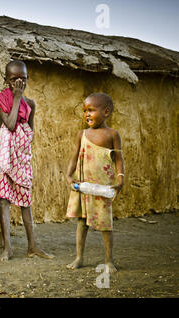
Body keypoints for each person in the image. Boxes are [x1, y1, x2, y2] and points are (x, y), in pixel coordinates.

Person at [0, 60, 53, 261]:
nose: (19, 82)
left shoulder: (31, 104)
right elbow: (9, 124)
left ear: (28, 78)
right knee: (4, 200)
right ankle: (7, 248)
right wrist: (17, 97)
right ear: (6, 80)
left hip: (22, 155)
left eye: (23, 79)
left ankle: (32, 246)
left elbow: (30, 131)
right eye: (13, 79)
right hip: (5, 155)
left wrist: (23, 148)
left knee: (26, 200)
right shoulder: (1, 99)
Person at [65, 93, 124, 273]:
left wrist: (120, 178)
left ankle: (108, 261)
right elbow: (74, 158)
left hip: (101, 188)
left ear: (106, 112)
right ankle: (79, 257)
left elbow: (118, 159)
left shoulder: (112, 134)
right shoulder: (81, 134)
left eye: (91, 110)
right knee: (81, 222)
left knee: (105, 224)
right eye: (85, 111)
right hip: (83, 186)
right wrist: (69, 176)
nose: (87, 114)